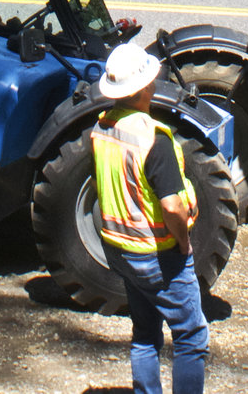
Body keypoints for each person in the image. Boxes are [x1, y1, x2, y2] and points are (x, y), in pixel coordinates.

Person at [91, 41, 208, 394]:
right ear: (144, 87)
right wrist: (184, 243)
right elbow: (172, 207)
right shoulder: (154, 139)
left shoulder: (102, 128)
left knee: (144, 334)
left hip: (118, 248)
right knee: (191, 335)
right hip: (156, 252)